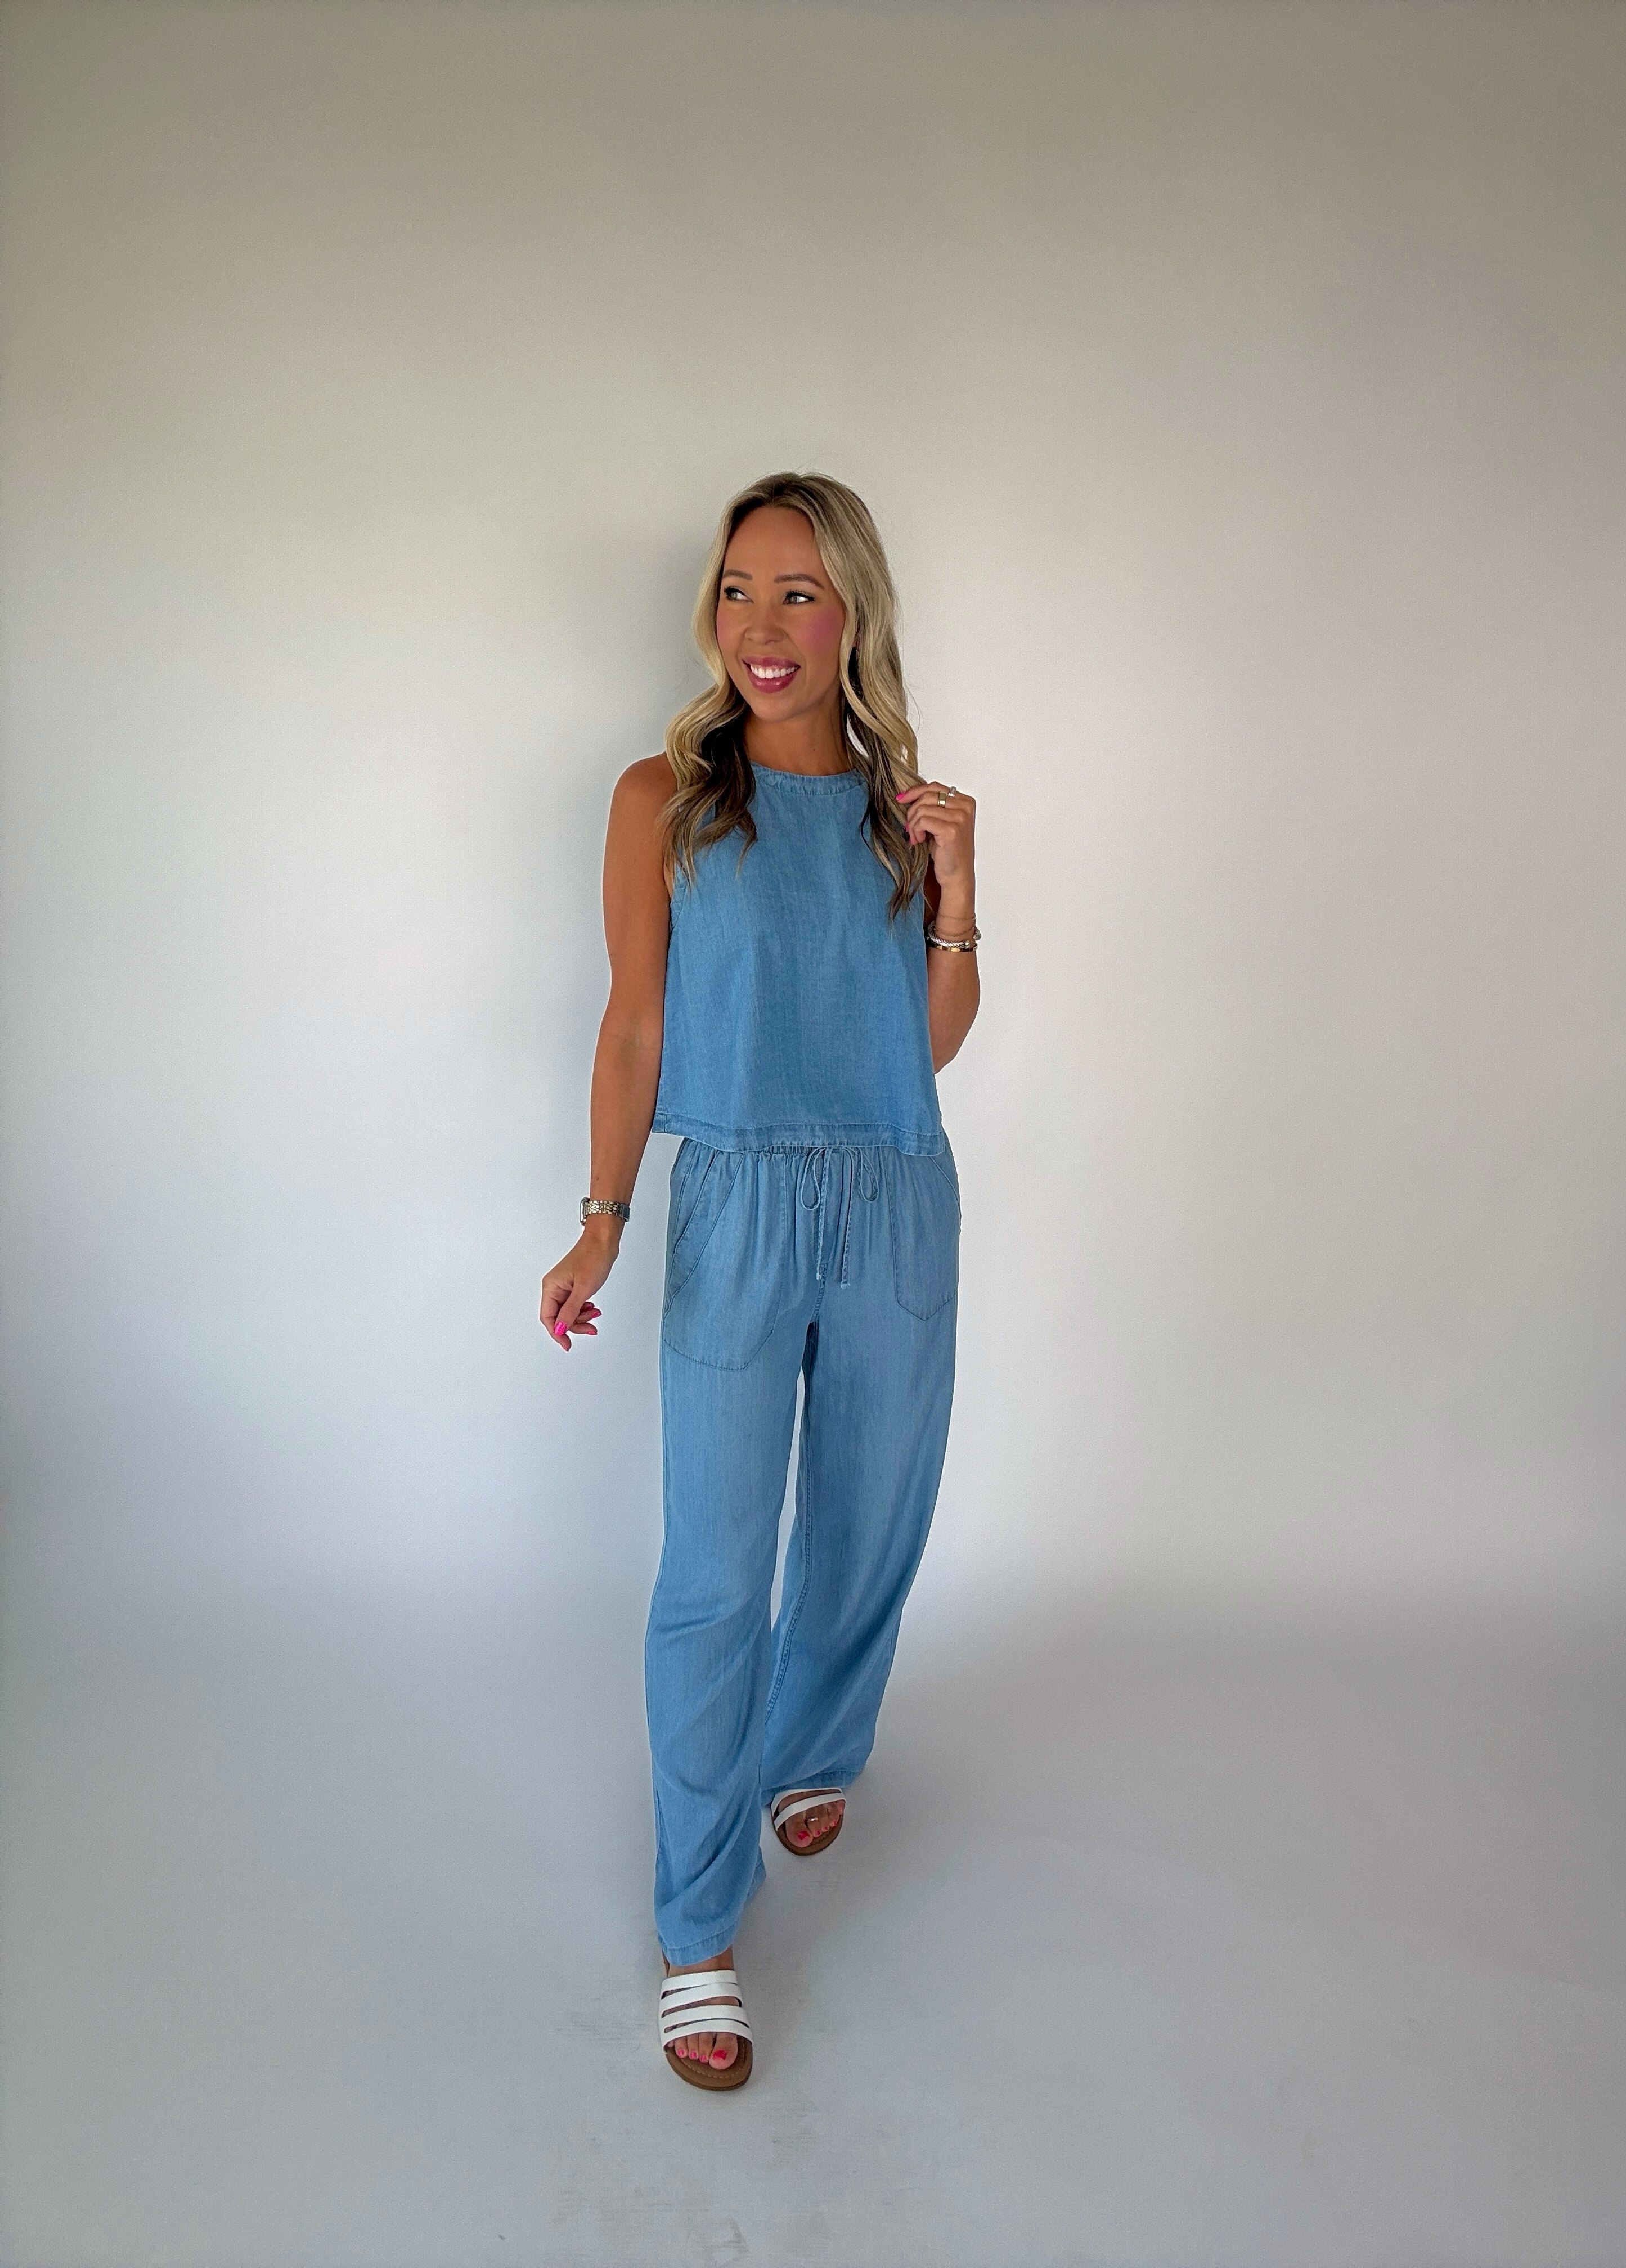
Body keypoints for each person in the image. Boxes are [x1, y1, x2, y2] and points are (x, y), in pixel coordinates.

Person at [539, 472, 980, 2091]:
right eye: (739, 589)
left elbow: (923, 1049)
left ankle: (814, 1746)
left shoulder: (898, 806)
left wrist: (960, 895)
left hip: (894, 1196)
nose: (763, 625)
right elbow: (635, 1026)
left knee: (868, 1526)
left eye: (799, 591)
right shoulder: (664, 797)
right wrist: (603, 1217)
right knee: (717, 1573)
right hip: (734, 1201)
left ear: (854, 610)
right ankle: (699, 1924)